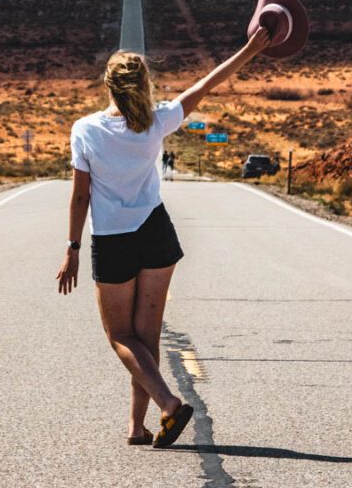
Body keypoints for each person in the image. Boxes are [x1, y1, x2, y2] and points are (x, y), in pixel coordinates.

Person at [56, 27, 271, 447]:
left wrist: (73, 248)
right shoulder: (157, 120)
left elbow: (80, 195)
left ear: (108, 86)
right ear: (143, 85)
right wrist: (250, 49)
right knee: (146, 338)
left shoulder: (86, 130)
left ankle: (169, 404)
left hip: (114, 241)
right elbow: (208, 84)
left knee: (121, 337)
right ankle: (137, 427)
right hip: (156, 234)